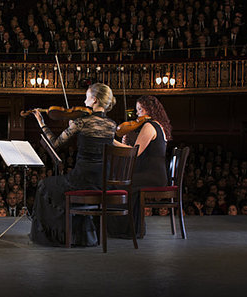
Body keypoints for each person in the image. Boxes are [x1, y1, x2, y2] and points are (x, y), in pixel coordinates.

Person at [30, 83, 124, 246]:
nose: (84, 100)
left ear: (94, 99)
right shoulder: (112, 125)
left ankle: (57, 236)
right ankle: (82, 236)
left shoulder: (81, 122)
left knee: (44, 185)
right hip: (102, 182)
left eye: (87, 96)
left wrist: (42, 123)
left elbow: (55, 144)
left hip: (81, 180)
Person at [108, 95, 172, 237]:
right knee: (125, 182)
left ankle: (126, 230)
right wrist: (124, 144)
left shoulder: (149, 126)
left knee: (120, 184)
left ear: (149, 110)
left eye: (140, 109)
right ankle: (134, 228)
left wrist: (110, 141)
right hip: (156, 176)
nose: (137, 113)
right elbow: (137, 150)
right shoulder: (158, 125)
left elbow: (134, 153)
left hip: (152, 177)